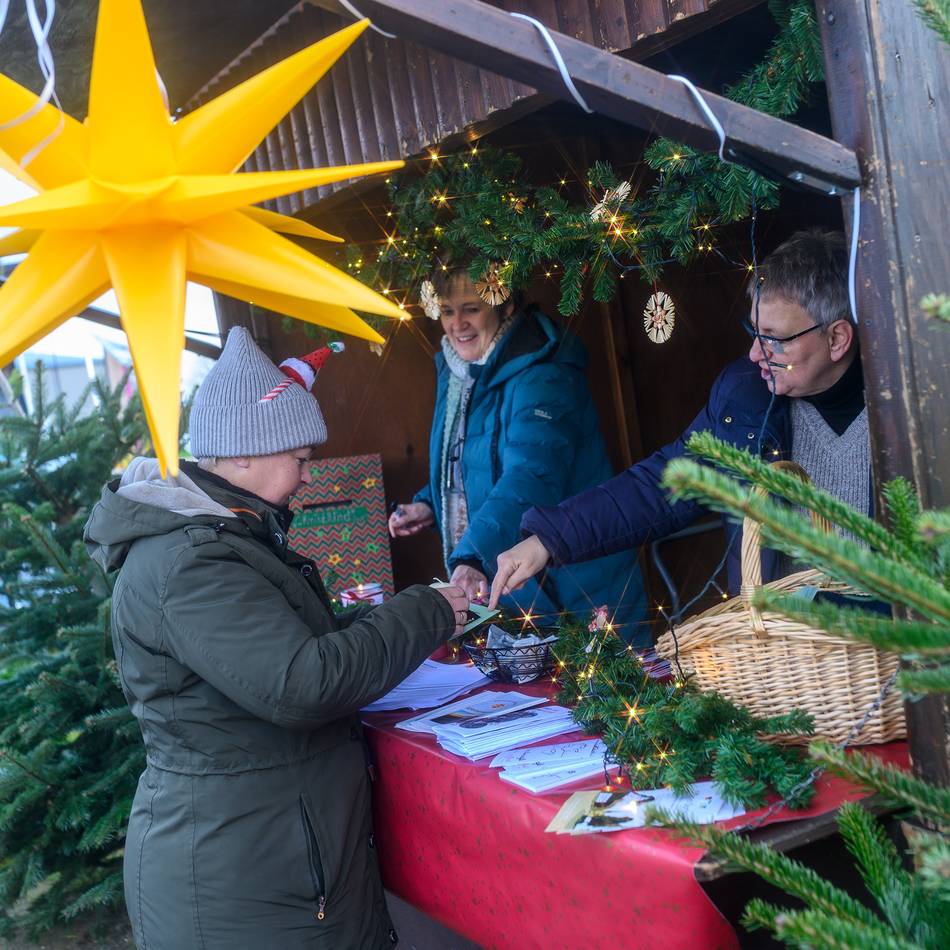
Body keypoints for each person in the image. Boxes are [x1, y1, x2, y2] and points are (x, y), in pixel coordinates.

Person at [84, 327, 468, 950]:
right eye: (301, 459)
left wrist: (379, 623)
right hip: (242, 885)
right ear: (243, 455)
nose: (308, 478)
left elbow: (289, 649)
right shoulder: (191, 562)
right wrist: (424, 613)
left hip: (274, 863)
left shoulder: (227, 537)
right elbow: (302, 683)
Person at [490, 229, 867, 608]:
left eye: (774, 337)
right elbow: (661, 484)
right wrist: (550, 538)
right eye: (755, 332)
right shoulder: (745, 398)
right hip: (782, 650)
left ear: (837, 339)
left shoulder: (908, 409)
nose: (755, 354)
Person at [389, 263, 646, 640]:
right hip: (519, 584)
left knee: (610, 693)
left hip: (575, 583)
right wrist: (431, 503)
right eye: (447, 310)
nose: (457, 323)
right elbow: (471, 457)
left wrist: (475, 555)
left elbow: (530, 476)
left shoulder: (543, 372)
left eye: (471, 308)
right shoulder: (459, 367)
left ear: (505, 306)